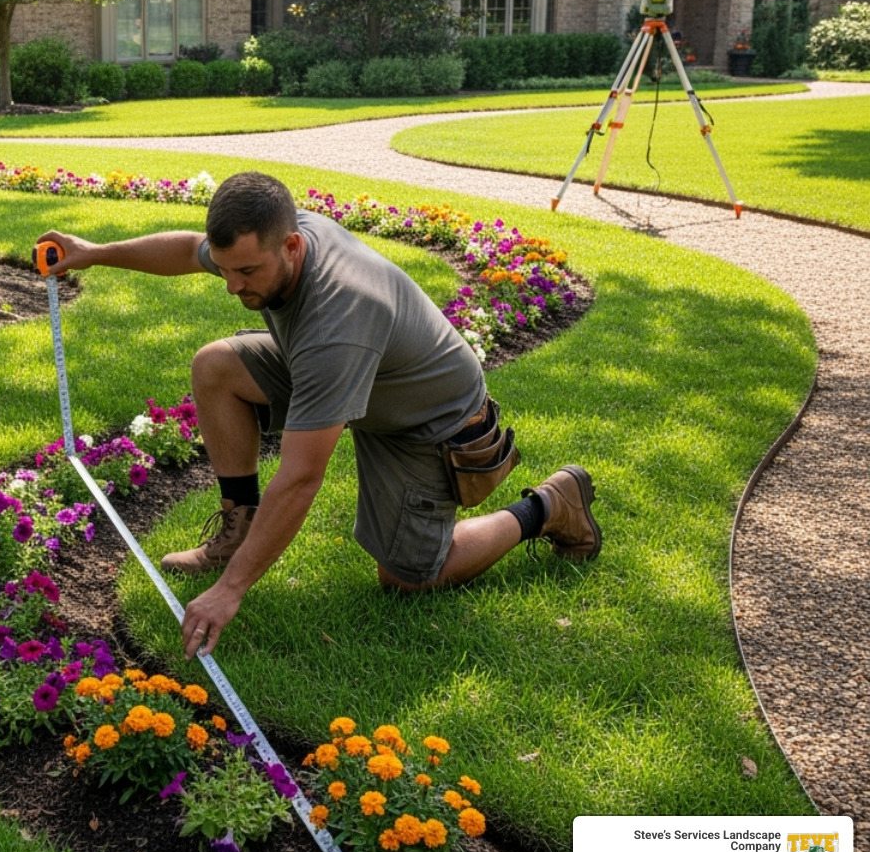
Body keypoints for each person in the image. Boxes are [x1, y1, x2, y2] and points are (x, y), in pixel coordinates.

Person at [35, 172, 602, 660]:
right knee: (218, 367)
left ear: (293, 249)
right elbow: (188, 251)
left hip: (425, 421)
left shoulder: (338, 319)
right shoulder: (266, 241)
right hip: (367, 383)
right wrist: (93, 252)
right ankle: (238, 529)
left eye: (247, 273)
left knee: (410, 578)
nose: (232, 286)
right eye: (228, 270)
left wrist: (231, 591)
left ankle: (551, 504)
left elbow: (302, 475)